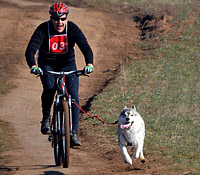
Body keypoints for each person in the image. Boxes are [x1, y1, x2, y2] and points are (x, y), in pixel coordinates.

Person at [25, 2, 94, 147]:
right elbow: (30, 50)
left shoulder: (72, 28)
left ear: (67, 18)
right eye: (56, 19)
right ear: (51, 18)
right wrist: (33, 66)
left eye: (62, 19)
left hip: (68, 65)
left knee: (73, 97)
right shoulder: (43, 29)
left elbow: (85, 47)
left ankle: (73, 133)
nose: (59, 22)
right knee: (50, 88)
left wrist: (89, 64)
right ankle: (45, 119)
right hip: (47, 65)